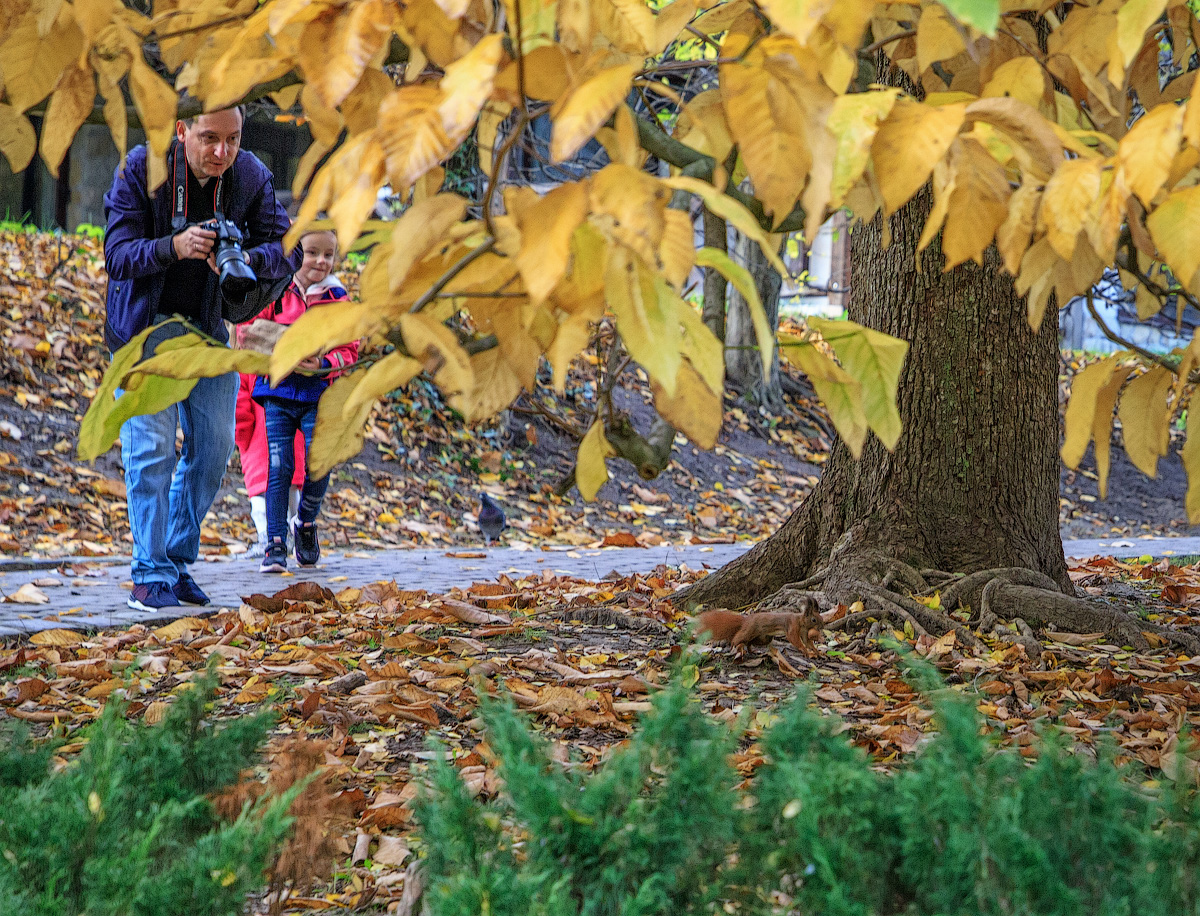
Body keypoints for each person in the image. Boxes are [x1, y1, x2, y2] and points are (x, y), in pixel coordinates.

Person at [103, 105, 297, 611]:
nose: (222, 152)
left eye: (233, 139)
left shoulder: (249, 174)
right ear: (181, 129)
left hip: (209, 333)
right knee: (152, 453)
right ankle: (150, 573)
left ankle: (175, 560)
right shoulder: (141, 170)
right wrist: (174, 246)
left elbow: (289, 246)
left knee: (211, 454)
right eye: (209, 138)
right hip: (144, 333)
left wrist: (250, 258)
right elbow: (117, 255)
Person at [252, 227, 358, 573]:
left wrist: (324, 363)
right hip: (278, 389)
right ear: (296, 253)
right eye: (312, 252)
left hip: (319, 392)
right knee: (280, 464)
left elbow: (350, 346)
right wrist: (286, 349)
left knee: (318, 462)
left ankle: (306, 523)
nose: (320, 261)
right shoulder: (277, 290)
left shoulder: (337, 298)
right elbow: (252, 332)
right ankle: (275, 543)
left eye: (328, 254)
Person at [232, 335, 305, 559]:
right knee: (293, 496)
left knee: (261, 502)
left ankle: (267, 540)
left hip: (259, 447)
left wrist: (240, 438)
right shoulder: (293, 359)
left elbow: (240, 407)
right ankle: (298, 537)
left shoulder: (246, 366)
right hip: (294, 443)